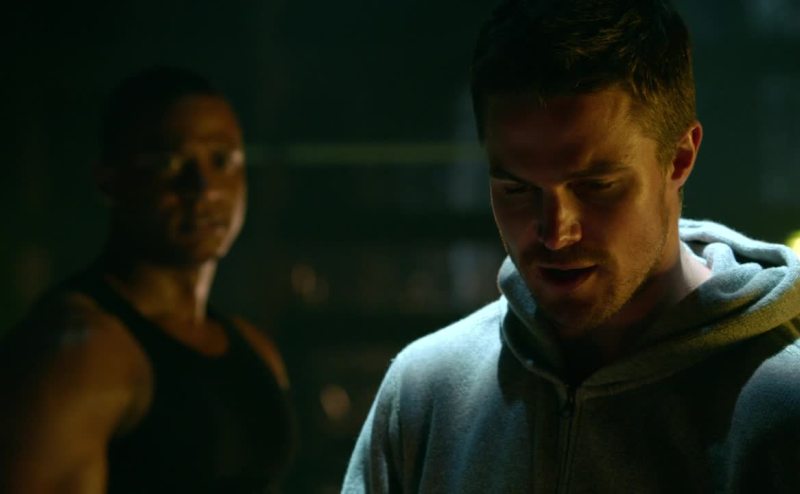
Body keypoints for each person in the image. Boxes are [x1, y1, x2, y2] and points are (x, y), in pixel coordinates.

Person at [343, 0, 800, 492]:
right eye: (517, 189)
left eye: (595, 186)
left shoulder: (784, 412)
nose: (555, 231)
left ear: (679, 157)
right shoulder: (425, 394)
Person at [0, 67, 295, 493]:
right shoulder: (78, 356)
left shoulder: (256, 350)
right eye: (169, 163)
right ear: (110, 181)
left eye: (222, 160)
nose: (203, 187)